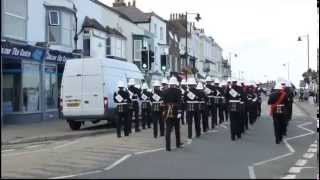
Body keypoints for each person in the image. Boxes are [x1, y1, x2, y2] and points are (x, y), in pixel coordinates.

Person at [162, 77, 183, 151]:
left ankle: (168, 147)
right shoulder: (179, 91)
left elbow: (163, 103)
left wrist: (164, 111)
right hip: (176, 111)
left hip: (167, 111)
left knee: (168, 129)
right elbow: (179, 102)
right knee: (177, 128)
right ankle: (178, 143)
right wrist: (180, 111)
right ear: (175, 84)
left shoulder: (164, 91)